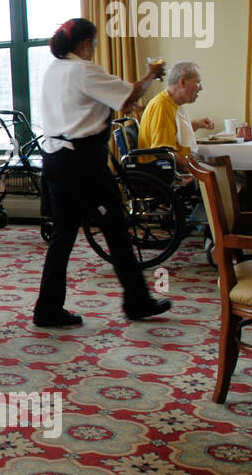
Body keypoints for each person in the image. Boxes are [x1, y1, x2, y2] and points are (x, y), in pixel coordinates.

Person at [34, 18, 171, 329]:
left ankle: (48, 308)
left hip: (57, 159)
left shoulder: (54, 70)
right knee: (116, 230)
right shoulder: (83, 69)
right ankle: (136, 301)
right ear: (84, 44)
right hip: (83, 164)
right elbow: (128, 94)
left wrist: (127, 101)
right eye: (93, 45)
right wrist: (150, 75)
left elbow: (94, 103)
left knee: (65, 237)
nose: (94, 50)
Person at [136, 61, 214, 161]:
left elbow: (174, 132)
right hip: (165, 171)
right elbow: (164, 152)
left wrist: (197, 124)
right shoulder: (162, 106)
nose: (201, 88)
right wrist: (191, 169)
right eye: (197, 82)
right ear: (182, 82)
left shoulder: (172, 103)